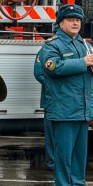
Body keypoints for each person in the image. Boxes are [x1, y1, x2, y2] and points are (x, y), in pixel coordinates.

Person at [38, 4, 93, 186]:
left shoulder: (84, 44)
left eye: (78, 20)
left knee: (80, 151)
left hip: (82, 106)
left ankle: (77, 185)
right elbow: (52, 67)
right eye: (71, 20)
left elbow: (91, 71)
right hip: (64, 107)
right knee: (63, 151)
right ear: (61, 23)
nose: (75, 23)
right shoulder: (52, 45)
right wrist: (83, 62)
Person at [34, 24, 59, 170]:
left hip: (68, 100)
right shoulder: (47, 48)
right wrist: (58, 86)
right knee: (52, 135)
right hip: (51, 99)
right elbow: (39, 73)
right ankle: (53, 163)